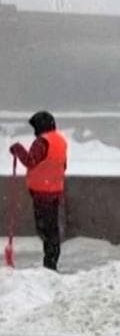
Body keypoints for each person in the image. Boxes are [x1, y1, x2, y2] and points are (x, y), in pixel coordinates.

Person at [7, 111, 68, 271]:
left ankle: (49, 264)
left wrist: (18, 149)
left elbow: (30, 161)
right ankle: (52, 260)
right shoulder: (60, 141)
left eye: (35, 127)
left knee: (45, 230)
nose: (34, 131)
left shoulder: (42, 142)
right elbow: (63, 165)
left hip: (42, 191)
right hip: (55, 189)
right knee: (51, 228)